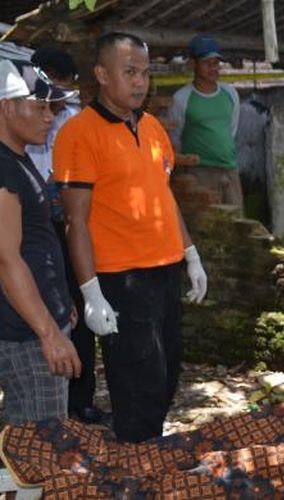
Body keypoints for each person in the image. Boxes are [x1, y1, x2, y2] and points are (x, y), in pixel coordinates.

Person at [53, 32, 208, 443]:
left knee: (166, 376)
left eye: (144, 72)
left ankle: (146, 456)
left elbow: (163, 196)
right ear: (102, 75)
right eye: (129, 72)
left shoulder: (153, 128)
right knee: (138, 385)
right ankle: (135, 469)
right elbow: (76, 220)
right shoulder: (79, 134)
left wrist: (190, 253)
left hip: (163, 270)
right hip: (120, 278)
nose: (140, 82)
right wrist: (91, 292)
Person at [25, 47, 104, 425]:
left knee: (77, 306)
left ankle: (81, 397)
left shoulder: (73, 119)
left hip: (67, 224)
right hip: (28, 225)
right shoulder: (21, 115)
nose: (54, 102)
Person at [0, 59, 82, 426]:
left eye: (52, 107)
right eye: (39, 106)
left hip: (39, 320)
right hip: (27, 335)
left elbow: (37, 242)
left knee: (35, 450)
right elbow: (7, 259)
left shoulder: (18, 159)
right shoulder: (2, 167)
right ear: (6, 107)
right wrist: (49, 333)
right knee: (40, 451)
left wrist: (60, 303)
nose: (49, 116)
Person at [167, 34, 242, 207]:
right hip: (199, 172)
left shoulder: (230, 93)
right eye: (206, 63)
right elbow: (175, 137)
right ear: (193, 64)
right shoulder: (182, 98)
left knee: (237, 224)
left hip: (229, 169)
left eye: (216, 63)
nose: (213, 67)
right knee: (205, 222)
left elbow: (231, 129)